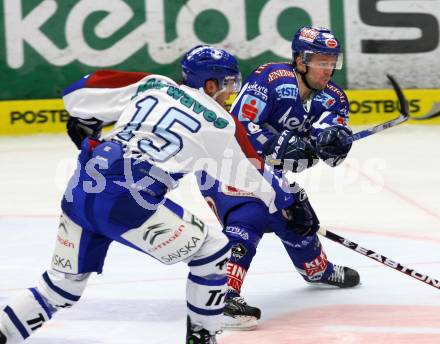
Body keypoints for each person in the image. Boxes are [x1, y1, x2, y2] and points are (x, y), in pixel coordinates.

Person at [0, 46, 317, 344]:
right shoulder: (221, 122)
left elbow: (77, 93)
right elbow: (254, 176)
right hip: (127, 200)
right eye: (228, 84)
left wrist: (87, 119)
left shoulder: (153, 84)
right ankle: (202, 339)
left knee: (60, 287)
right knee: (215, 251)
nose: (230, 92)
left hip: (82, 188)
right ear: (209, 85)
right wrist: (290, 201)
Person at [197, 26, 360, 330]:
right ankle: (222, 295)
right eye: (320, 61)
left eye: (331, 62)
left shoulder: (334, 98)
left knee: (298, 217)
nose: (327, 69)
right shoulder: (271, 78)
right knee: (251, 216)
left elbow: (329, 150)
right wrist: (278, 146)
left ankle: (316, 270)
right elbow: (238, 127)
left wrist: (334, 144)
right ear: (300, 60)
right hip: (224, 162)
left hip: (264, 170)